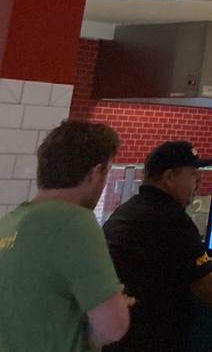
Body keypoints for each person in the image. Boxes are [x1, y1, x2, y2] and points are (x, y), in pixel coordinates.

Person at [103, 140, 212, 351]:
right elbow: (208, 283)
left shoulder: (128, 210)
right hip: (148, 339)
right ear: (169, 177)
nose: (199, 182)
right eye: (192, 174)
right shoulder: (169, 219)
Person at [0, 120, 133, 351]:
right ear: (96, 172)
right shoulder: (74, 221)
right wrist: (116, 305)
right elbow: (113, 327)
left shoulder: (9, 222)